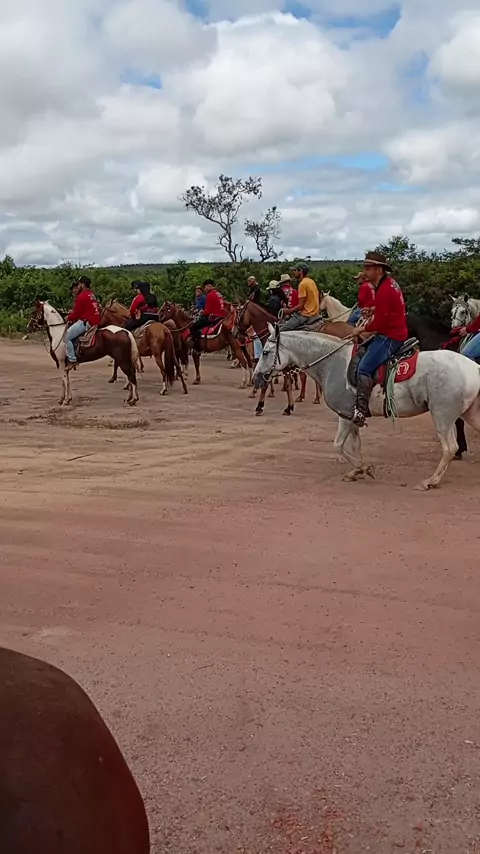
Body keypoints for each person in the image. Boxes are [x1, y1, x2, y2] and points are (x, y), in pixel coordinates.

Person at [352, 251, 408, 427]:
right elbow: (389, 307)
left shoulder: (384, 289)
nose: (365, 272)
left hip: (390, 336)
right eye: (365, 268)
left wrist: (360, 329)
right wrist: (373, 309)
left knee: (363, 368)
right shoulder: (389, 283)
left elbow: (380, 322)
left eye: (368, 268)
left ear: (379, 270)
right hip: (395, 331)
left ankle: (361, 411)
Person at [65, 276, 101, 365]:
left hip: (85, 322)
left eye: (79, 284)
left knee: (65, 337)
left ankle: (72, 359)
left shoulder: (81, 296)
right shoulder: (92, 295)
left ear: (83, 284)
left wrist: (68, 318)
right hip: (95, 320)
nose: (78, 286)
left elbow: (76, 313)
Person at [280, 264, 321, 331]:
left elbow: (300, 306)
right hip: (315, 314)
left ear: (300, 271)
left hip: (305, 315)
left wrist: (288, 311)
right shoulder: (311, 281)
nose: (293, 272)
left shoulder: (302, 284)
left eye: (295, 270)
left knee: (281, 330)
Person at [190, 280, 227, 351]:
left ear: (209, 286)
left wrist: (202, 313)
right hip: (222, 316)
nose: (205, 289)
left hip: (213, 318)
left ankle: (197, 346)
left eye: (205, 287)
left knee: (193, 327)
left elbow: (207, 311)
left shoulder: (210, 295)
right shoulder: (219, 294)